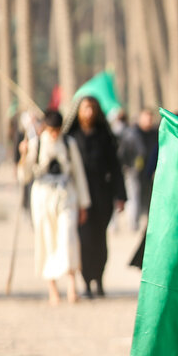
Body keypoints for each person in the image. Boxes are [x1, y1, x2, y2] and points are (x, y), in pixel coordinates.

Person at [19, 110, 90, 304]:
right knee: (47, 239)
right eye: (51, 130)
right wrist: (23, 155)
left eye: (57, 130)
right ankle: (52, 288)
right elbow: (24, 176)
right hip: (43, 196)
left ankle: (72, 286)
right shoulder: (36, 143)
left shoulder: (69, 144)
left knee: (68, 238)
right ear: (45, 128)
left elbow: (78, 173)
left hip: (66, 194)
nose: (54, 134)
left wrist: (84, 204)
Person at [66, 96, 126, 298]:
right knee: (84, 240)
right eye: (85, 109)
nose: (89, 113)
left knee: (100, 240)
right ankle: (86, 282)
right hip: (78, 197)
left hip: (102, 195)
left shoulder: (104, 136)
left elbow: (115, 167)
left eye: (92, 108)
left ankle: (99, 280)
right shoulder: (71, 137)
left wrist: (120, 195)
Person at [118, 108, 159, 231]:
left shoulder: (155, 134)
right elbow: (123, 152)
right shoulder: (131, 134)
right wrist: (126, 166)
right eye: (146, 117)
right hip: (133, 171)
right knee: (134, 197)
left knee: (149, 198)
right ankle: (133, 225)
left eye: (150, 118)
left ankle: (149, 224)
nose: (148, 121)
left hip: (149, 172)